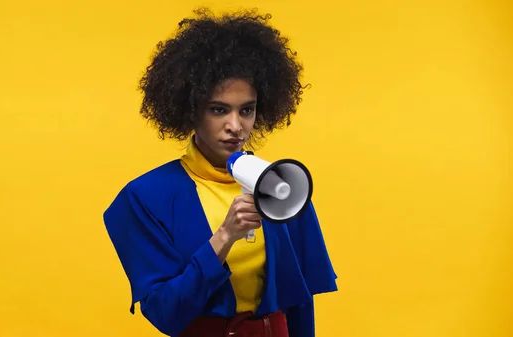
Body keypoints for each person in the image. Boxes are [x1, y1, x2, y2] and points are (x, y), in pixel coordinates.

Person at [103, 8, 338, 337]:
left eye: (247, 110)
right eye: (218, 109)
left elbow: (300, 301)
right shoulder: (144, 198)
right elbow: (165, 314)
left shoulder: (281, 185)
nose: (235, 126)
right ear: (190, 110)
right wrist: (224, 238)